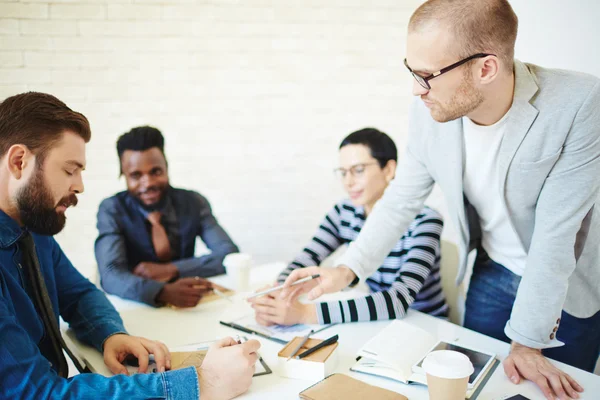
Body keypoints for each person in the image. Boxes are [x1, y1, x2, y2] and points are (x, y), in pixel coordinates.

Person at [281, 1, 600, 399]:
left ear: (486, 68)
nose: (417, 88)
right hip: (491, 270)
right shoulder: (430, 109)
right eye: (412, 70)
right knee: (473, 387)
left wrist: (527, 340)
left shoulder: (578, 102)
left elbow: (557, 235)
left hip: (566, 283)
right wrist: (346, 271)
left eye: (428, 75)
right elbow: (400, 199)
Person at [0, 92, 260, 399]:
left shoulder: (34, 231)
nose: (80, 186)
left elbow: (80, 294)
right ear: (19, 162)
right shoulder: (103, 211)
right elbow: (39, 393)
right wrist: (202, 383)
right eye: (70, 170)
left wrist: (111, 334)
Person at [249, 128, 447, 326]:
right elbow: (307, 258)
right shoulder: (344, 212)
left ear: (388, 169)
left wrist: (304, 314)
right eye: (343, 173)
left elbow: (398, 300)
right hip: (378, 323)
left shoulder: (425, 220)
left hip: (425, 325)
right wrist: (277, 295)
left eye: (358, 170)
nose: (349, 182)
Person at [95, 126, 239, 307]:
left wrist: (171, 269)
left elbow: (229, 254)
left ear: (166, 167)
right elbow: (110, 274)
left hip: (190, 306)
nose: (148, 183)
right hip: (137, 306)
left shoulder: (194, 202)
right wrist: (161, 291)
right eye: (136, 175)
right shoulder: (112, 209)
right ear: (123, 175)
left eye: (155, 172)